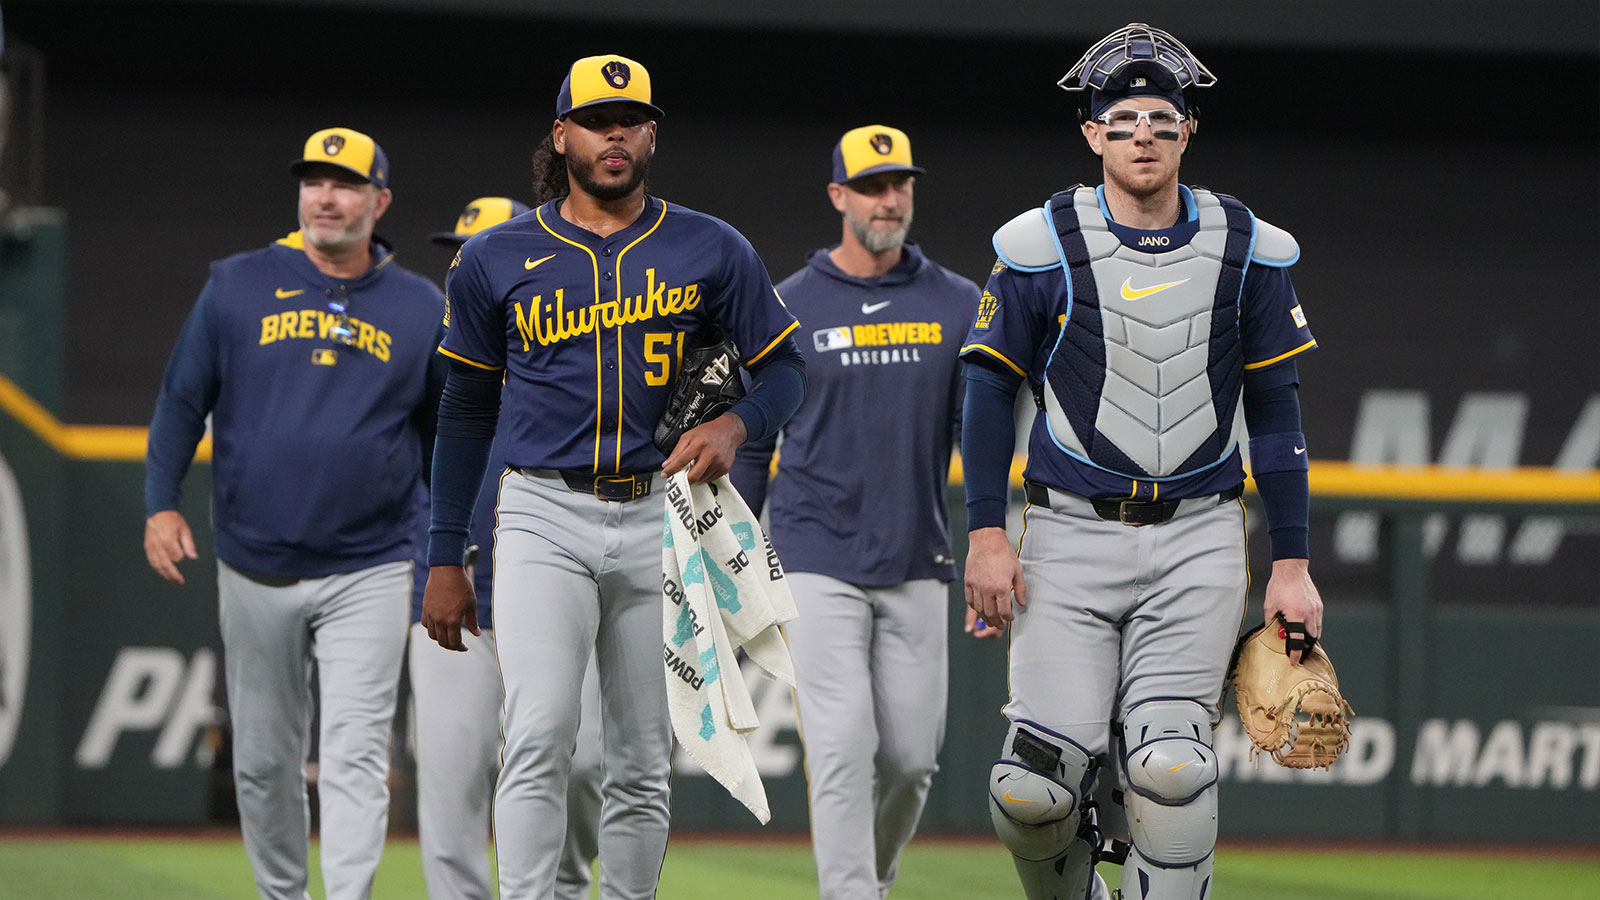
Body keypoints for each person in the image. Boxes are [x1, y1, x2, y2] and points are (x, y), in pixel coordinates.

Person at [419, 55, 806, 900]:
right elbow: (462, 412)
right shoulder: (496, 255)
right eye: (597, 119)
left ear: (652, 135)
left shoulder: (710, 245)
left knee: (639, 755)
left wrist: (737, 421)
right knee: (540, 731)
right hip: (540, 514)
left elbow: (788, 372)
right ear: (562, 137)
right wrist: (446, 553)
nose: (615, 133)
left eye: (630, 119)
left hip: (661, 522)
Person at [960, 24, 1323, 900]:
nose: (1143, 136)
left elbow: (1277, 411)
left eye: (1161, 118)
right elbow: (983, 395)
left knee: (1169, 769)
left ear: (1187, 129)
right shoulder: (1039, 243)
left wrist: (1293, 564)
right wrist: (984, 535)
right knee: (1033, 788)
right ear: (1092, 135)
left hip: (1197, 537)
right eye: (1121, 120)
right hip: (1066, 537)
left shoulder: (1248, 248)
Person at [143, 127, 446, 900]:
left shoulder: (420, 308)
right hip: (254, 559)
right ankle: (283, 894)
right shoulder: (238, 283)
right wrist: (160, 504)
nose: (325, 195)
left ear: (379, 202)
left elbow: (448, 439)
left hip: (372, 564)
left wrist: (442, 548)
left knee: (353, 751)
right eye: (313, 180)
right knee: (264, 759)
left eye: (343, 183)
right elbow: (183, 398)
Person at [729, 124, 977, 900]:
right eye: (872, 185)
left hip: (915, 557)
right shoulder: (788, 304)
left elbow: (990, 429)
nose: (889, 199)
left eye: (900, 183)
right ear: (839, 196)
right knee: (841, 747)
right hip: (811, 552)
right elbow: (749, 444)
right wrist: (736, 560)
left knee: (910, 761)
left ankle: (871, 879)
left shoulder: (959, 302)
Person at [410, 196, 604, 900]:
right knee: (453, 780)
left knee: (583, 767)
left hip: (564, 591)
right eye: (457, 248)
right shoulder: (432, 350)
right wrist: (436, 554)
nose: (465, 260)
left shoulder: (570, 347)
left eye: (481, 246)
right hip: (454, 594)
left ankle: (566, 887)